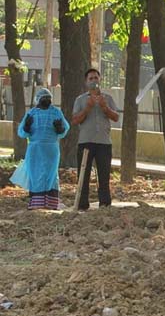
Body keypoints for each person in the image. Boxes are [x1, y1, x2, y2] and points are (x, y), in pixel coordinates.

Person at [12, 88, 70, 210]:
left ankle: (51, 203)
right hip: (35, 150)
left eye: (48, 98)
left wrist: (59, 129)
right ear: (38, 100)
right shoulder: (32, 113)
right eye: (43, 98)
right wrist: (27, 127)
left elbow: (65, 129)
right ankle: (36, 203)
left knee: (51, 175)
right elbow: (22, 133)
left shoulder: (56, 112)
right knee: (35, 174)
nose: (46, 100)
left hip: (51, 150)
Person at [71, 68, 119, 210]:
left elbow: (116, 117)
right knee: (83, 175)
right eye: (90, 78)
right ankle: (82, 204)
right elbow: (75, 120)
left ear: (100, 79)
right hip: (86, 141)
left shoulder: (108, 98)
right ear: (86, 82)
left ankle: (104, 204)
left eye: (96, 78)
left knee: (104, 175)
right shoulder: (80, 100)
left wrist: (105, 108)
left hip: (104, 142)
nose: (93, 81)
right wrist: (88, 108)